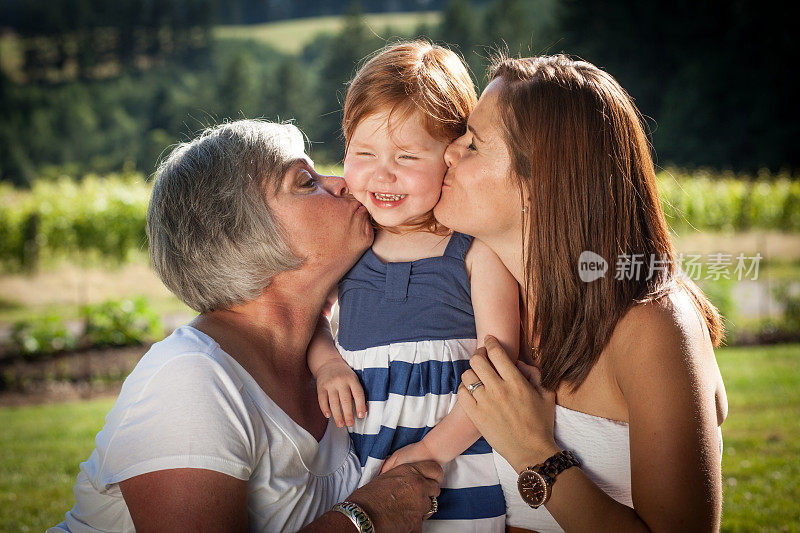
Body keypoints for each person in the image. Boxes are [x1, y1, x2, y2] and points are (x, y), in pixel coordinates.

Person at [47, 119, 443, 533]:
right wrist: (368, 516)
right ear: (243, 232)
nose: (342, 183)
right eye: (305, 181)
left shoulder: (345, 355)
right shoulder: (191, 379)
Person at [434, 54, 729, 532]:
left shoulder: (652, 324)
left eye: (473, 144)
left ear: (539, 183)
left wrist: (534, 451)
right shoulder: (492, 307)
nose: (448, 151)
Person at [306, 41, 520, 531]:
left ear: (450, 158)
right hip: (361, 465)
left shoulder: (474, 252)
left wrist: (431, 451)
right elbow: (310, 319)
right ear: (345, 150)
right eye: (364, 152)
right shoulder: (349, 244)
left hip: (458, 464)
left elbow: (498, 373)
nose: (383, 173)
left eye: (406, 156)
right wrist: (327, 364)